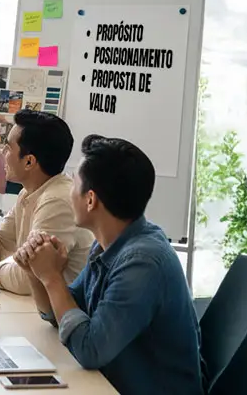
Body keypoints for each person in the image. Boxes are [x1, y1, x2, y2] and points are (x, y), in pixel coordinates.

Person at [17, 135, 203, 394]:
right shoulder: (110, 244)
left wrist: (52, 278)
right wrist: (36, 272)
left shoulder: (142, 262)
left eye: (74, 183)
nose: (69, 191)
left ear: (90, 200)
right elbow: (65, 316)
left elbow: (89, 349)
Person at [0, 110, 92, 295]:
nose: (3, 153)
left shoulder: (56, 201)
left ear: (29, 162)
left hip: (59, 311)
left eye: (8, 148)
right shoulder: (29, 192)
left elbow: (27, 279)